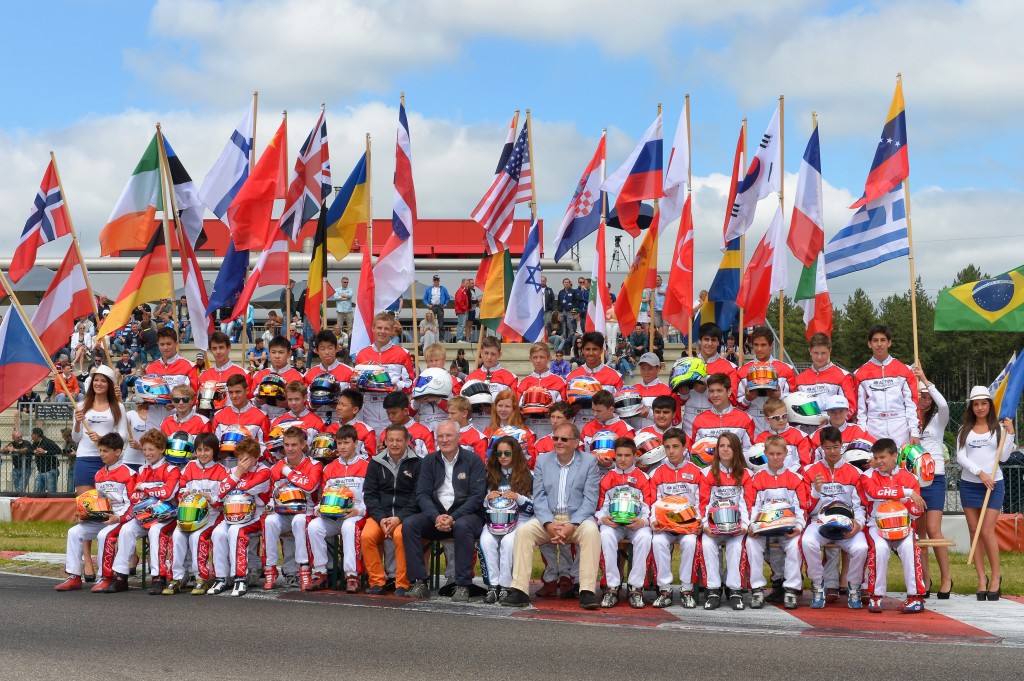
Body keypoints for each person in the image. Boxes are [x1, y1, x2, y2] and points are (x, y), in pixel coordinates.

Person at [501, 422, 603, 610]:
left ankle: (587, 591)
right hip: (548, 519)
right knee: (524, 532)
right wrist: (548, 523)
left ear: (576, 442)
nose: (558, 442)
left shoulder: (589, 462)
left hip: (577, 520)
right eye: (555, 438)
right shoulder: (543, 461)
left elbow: (590, 500)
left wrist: (572, 524)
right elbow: (539, 498)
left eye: (564, 439)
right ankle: (519, 591)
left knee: (591, 532)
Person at [404, 420, 487, 601]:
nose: (444, 440)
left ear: (459, 437)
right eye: (440, 436)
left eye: (448, 435)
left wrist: (453, 517)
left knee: (462, 525)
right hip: (437, 516)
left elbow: (477, 497)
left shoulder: (473, 460)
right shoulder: (429, 461)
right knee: (410, 524)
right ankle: (419, 582)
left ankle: (462, 584)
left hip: (466, 516)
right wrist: (436, 517)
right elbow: (422, 494)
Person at [55, 433, 136, 592]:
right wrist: (85, 513)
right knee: (74, 532)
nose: (102, 454)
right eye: (100, 451)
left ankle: (106, 577)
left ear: (117, 452)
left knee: (104, 535)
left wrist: (119, 518)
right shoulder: (99, 474)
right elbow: (98, 502)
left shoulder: (129, 473)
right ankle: (74, 576)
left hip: (121, 519)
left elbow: (135, 504)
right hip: (103, 518)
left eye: (105, 451)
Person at [956, 385, 1015, 601]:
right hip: (970, 484)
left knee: (987, 531)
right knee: (974, 531)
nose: (980, 407)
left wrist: (1010, 433)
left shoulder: (997, 429)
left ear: (989, 405)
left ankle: (996, 576)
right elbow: (960, 457)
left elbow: (1004, 457)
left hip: (994, 485)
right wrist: (980, 473)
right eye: (976, 404)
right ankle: (981, 578)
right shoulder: (964, 430)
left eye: (983, 403)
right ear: (971, 407)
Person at [801, 426, 869, 609]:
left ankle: (854, 587)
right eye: (828, 447)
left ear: (842, 445)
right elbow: (805, 508)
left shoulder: (854, 472)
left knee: (861, 547)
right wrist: (815, 491)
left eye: (836, 447)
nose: (832, 451)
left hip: (847, 524)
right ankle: (818, 585)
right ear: (822, 447)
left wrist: (858, 524)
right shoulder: (809, 471)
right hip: (819, 522)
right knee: (807, 542)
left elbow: (860, 506)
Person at [109, 429, 181, 595]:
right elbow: (135, 495)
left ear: (161, 449)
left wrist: (145, 488)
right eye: (145, 449)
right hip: (146, 514)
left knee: (155, 531)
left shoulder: (172, 469)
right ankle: (120, 576)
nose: (147, 453)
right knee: (127, 529)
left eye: (151, 449)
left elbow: (168, 494)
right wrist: (153, 489)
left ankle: (158, 577)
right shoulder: (142, 470)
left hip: (168, 515)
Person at [860, 438, 927, 613]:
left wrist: (903, 503)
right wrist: (906, 493)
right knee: (880, 549)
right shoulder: (868, 476)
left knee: (910, 548)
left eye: (882, 457)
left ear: (894, 456)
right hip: (876, 526)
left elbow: (916, 511)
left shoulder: (911, 477)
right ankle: (875, 596)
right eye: (876, 458)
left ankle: (915, 597)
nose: (879, 462)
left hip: (903, 526)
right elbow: (874, 492)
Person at [745, 434, 809, 610]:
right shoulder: (756, 478)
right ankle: (757, 589)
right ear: (765, 453)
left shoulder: (795, 479)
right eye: (771, 453)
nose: (775, 457)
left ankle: (791, 589)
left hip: (787, 529)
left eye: (779, 454)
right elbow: (752, 507)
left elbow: (801, 508)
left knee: (795, 544)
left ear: (786, 453)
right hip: (763, 528)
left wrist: (799, 527)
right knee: (751, 543)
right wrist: (752, 526)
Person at [306, 425, 369, 593]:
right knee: (314, 526)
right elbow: (323, 495)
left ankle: (352, 576)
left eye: (346, 443)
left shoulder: (366, 466)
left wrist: (358, 511)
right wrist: (319, 509)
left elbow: (371, 497)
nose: (342, 447)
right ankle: (321, 574)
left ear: (356, 443)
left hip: (356, 514)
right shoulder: (329, 468)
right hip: (332, 515)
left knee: (349, 526)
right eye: (339, 443)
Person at [362, 424, 421, 597]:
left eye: (399, 440)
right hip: (381, 516)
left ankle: (402, 583)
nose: (394, 444)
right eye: (391, 440)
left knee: (401, 536)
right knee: (367, 536)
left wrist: (399, 518)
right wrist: (381, 518)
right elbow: (370, 495)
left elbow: (418, 496)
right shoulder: (375, 462)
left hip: (405, 516)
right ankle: (377, 581)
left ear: (407, 441)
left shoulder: (418, 463)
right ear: (385, 441)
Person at [165, 432, 228, 595]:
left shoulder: (222, 471)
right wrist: (183, 494)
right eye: (199, 450)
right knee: (177, 536)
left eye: (207, 450)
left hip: (211, 516)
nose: (202, 454)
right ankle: (177, 577)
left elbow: (223, 500)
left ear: (214, 451)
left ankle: (201, 578)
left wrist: (212, 498)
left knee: (196, 537)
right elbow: (180, 490)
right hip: (188, 514)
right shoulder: (189, 467)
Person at [209, 437, 272, 596]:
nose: (243, 463)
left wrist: (234, 480)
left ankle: (240, 577)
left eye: (247, 459)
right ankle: (221, 577)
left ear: (256, 457)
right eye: (240, 459)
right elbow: (220, 494)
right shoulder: (233, 471)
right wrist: (238, 472)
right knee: (218, 533)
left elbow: (248, 487)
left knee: (236, 531)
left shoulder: (264, 471)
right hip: (231, 513)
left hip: (255, 515)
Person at [263, 427, 323, 592]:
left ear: (303, 445)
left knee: (298, 520)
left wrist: (288, 472)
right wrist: (270, 504)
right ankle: (270, 568)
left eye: (294, 445)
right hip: (282, 512)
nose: (290, 449)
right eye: (287, 445)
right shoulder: (276, 467)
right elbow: (272, 494)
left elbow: (310, 487)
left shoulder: (314, 465)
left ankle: (304, 569)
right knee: (270, 521)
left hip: (306, 511)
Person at [596, 438, 653, 609]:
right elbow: (599, 508)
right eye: (619, 455)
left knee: (645, 537)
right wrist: (603, 519)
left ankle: (635, 587)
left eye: (627, 455)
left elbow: (648, 507)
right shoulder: (606, 478)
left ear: (635, 456)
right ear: (614, 455)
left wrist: (642, 521)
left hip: (636, 525)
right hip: (614, 525)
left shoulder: (644, 478)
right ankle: (612, 587)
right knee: (605, 535)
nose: (622, 459)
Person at [649, 427, 702, 608]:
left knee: (690, 543)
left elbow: (701, 502)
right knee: (658, 541)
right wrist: (653, 521)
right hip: (665, 526)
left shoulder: (697, 472)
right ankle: (665, 590)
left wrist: (699, 522)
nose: (671, 451)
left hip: (688, 527)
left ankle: (687, 590)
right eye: (667, 447)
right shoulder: (657, 473)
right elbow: (653, 503)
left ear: (684, 448)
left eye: (675, 446)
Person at [699, 432, 753, 610]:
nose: (725, 449)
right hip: (713, 526)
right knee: (708, 545)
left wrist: (744, 525)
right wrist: (705, 525)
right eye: (721, 446)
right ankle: (713, 590)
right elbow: (703, 503)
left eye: (729, 446)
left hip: (736, 527)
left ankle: (734, 590)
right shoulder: (707, 473)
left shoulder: (746, 474)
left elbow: (747, 503)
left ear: (736, 449)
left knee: (736, 547)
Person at [479, 435, 534, 604]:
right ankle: (492, 586)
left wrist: (518, 498)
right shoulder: (489, 475)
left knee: (509, 542)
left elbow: (534, 508)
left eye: (507, 453)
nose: (503, 457)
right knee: (486, 540)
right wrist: (487, 498)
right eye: (499, 453)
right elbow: (479, 504)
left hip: (520, 519)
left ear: (515, 453)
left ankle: (505, 586)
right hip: (493, 520)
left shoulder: (529, 476)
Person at [914, 363, 952, 598]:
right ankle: (924, 579)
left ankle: (946, 578)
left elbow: (945, 405)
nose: (925, 400)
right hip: (914, 481)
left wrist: (926, 381)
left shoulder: (938, 419)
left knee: (933, 529)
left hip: (935, 477)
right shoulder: (909, 419)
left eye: (927, 397)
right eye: (921, 396)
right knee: (920, 534)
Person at [854, 325, 919, 445]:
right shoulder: (860, 373)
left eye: (883, 340)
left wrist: (914, 432)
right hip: (874, 428)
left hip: (900, 428)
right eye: (875, 340)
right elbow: (860, 411)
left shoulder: (905, 370)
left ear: (889, 343)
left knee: (901, 458)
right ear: (869, 344)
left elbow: (911, 404)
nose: (879, 344)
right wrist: (862, 434)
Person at [355, 312, 415, 434]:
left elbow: (411, 384)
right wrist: (354, 382)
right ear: (373, 328)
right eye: (379, 328)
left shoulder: (403, 353)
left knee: (392, 442)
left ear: (392, 331)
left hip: (393, 407)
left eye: (386, 328)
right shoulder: (361, 354)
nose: (382, 331)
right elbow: (356, 385)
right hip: (369, 407)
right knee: (370, 442)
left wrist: (398, 386)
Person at [72, 365, 128, 494]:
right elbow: (75, 438)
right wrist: (78, 423)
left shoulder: (118, 407)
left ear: (109, 384)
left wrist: (102, 439)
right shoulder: (80, 406)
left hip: (108, 460)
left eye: (103, 381)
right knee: (87, 503)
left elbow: (123, 437)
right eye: (96, 380)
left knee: (108, 502)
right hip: (84, 459)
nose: (98, 384)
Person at [678, 323, 739, 437]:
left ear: (718, 342)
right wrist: (684, 394)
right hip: (690, 419)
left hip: (715, 418)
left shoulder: (729, 367)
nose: (709, 343)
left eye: (713, 340)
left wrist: (708, 392)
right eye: (706, 339)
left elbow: (733, 399)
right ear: (699, 340)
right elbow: (676, 399)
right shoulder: (687, 365)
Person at [736, 326, 795, 436]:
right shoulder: (742, 371)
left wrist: (779, 397)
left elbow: (793, 403)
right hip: (752, 420)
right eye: (756, 345)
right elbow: (736, 405)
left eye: (763, 345)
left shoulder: (786, 369)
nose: (759, 349)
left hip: (777, 420)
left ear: (771, 345)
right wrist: (747, 399)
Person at [792, 332, 857, 430]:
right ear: (809, 351)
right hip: (806, 429)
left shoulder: (843, 376)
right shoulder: (799, 379)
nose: (819, 357)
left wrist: (831, 420)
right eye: (816, 353)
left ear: (830, 351)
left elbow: (851, 407)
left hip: (833, 429)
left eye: (823, 353)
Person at [144, 327, 198, 432]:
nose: (165, 348)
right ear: (158, 345)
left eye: (169, 344)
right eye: (162, 344)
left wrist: (176, 404)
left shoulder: (189, 366)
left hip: (178, 420)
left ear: (176, 344)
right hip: (153, 420)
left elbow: (195, 396)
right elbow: (145, 394)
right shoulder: (150, 368)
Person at [567, 332, 624, 426]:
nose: (591, 353)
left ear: (601, 350)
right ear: (582, 350)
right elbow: (565, 408)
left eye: (594, 349)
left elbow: (619, 408)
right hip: (579, 425)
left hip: (605, 426)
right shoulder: (571, 376)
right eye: (587, 349)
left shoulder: (615, 376)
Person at [212, 374, 271, 463]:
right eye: (231, 392)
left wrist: (249, 455)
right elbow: (214, 447)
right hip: (225, 467)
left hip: (251, 467)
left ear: (247, 390)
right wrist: (220, 454)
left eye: (238, 392)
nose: (234, 396)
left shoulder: (261, 416)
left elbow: (265, 448)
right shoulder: (218, 416)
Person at [690, 373, 754, 455]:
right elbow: (695, 453)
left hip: (736, 463)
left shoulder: (745, 419)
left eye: (719, 391)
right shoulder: (699, 420)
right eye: (711, 391)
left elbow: (749, 452)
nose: (715, 395)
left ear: (729, 392)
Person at [250, 335, 304, 421]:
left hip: (288, 422)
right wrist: (258, 401)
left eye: (281, 352)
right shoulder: (259, 375)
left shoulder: (298, 376)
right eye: (273, 352)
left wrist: (287, 404)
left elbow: (305, 404)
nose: (277, 356)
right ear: (268, 353)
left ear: (289, 353)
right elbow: (249, 402)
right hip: (262, 421)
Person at [752, 397, 812, 469]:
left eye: (784, 416)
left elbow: (806, 465)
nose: (781, 420)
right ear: (767, 419)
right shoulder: (759, 439)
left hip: (794, 475)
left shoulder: (800, 436)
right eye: (776, 418)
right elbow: (756, 465)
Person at [580, 390, 635, 458]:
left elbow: (629, 458)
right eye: (593, 410)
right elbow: (580, 453)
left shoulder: (625, 429)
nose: (595, 414)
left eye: (599, 411)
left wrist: (611, 463)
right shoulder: (587, 427)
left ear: (611, 409)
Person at [326, 388, 378, 457]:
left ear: (355, 410)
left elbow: (370, 459)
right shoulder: (330, 428)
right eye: (338, 404)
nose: (338, 408)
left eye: (343, 405)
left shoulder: (366, 431)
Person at [446, 396, 488, 460]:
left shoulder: (479, 438)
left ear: (465, 413)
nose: (449, 416)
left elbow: (480, 464)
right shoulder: (444, 434)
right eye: (448, 413)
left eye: (453, 413)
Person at [30, 427, 63, 493]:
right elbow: (29, 450)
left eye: (32, 434)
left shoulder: (48, 442)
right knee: (37, 491)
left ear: (36, 435)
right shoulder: (35, 443)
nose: (31, 435)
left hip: (50, 470)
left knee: (51, 492)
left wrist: (45, 452)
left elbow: (59, 450)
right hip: (41, 471)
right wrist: (34, 451)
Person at [4, 429, 33, 494]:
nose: (20, 438)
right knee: (18, 488)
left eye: (21, 436)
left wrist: (14, 450)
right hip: (16, 468)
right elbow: (2, 451)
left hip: (26, 468)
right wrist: (7, 449)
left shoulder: (26, 443)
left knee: (21, 488)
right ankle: (21, 497)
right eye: (18, 437)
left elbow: (25, 450)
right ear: (13, 438)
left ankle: (20, 496)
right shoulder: (12, 444)